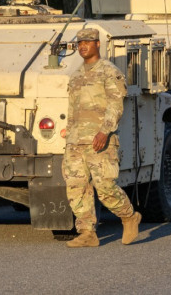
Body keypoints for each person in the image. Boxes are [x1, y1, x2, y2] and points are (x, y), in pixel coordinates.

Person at [62, 27, 141, 248]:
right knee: (76, 188)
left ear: (98, 44)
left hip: (100, 141)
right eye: (80, 43)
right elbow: (72, 111)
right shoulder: (76, 75)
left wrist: (104, 131)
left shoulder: (109, 72)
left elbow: (116, 105)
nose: (83, 46)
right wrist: (69, 138)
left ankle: (128, 216)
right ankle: (87, 232)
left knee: (105, 187)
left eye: (87, 42)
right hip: (76, 142)